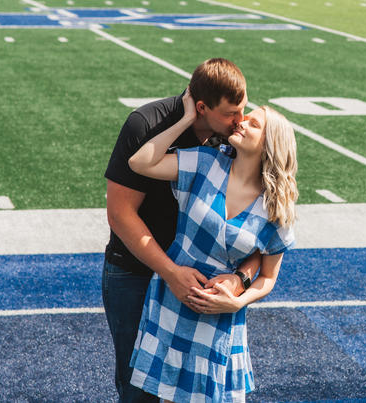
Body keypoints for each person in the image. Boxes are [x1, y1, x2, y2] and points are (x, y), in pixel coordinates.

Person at [103, 58, 261, 402]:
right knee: (138, 391)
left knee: (194, 394)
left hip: (199, 283)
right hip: (137, 273)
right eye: (231, 113)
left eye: (243, 108)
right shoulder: (145, 124)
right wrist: (170, 272)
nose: (241, 120)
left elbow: (258, 234)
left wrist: (240, 280)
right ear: (201, 107)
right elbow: (119, 213)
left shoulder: (235, 142)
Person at [126, 89, 298, 402]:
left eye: (254, 124)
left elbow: (268, 278)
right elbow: (140, 162)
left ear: (271, 145)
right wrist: (187, 119)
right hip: (173, 300)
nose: (241, 123)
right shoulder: (206, 163)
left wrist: (237, 301)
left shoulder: (275, 208)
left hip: (220, 316)